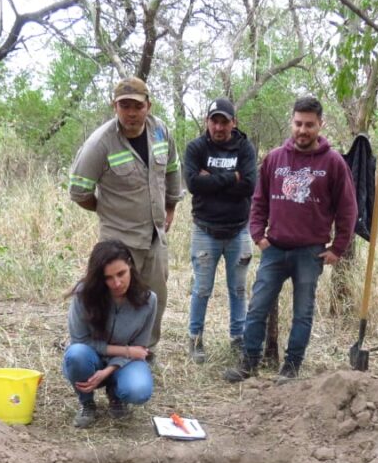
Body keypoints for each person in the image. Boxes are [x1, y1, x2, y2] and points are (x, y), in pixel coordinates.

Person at [224, 96, 358, 383]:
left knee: (303, 312)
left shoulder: (333, 162)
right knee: (258, 306)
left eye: (310, 125)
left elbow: (348, 208)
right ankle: (249, 362)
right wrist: (258, 235)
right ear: (291, 123)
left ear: (320, 125)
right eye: (298, 123)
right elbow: (258, 201)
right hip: (275, 248)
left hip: (310, 252)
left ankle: (291, 367)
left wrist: (338, 248)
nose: (303, 130)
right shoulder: (274, 158)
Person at [68, 76, 183, 349]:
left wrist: (170, 207)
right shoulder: (100, 143)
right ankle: (106, 351)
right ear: (114, 107)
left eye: (137, 106)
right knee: (113, 298)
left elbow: (172, 169)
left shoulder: (160, 132)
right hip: (118, 242)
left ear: (148, 106)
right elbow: (79, 192)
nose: (131, 113)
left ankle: (145, 351)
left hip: (155, 236)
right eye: (125, 106)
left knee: (155, 296)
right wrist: (106, 211)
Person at [182, 97, 258, 363]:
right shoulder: (195, 148)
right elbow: (193, 184)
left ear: (233, 123)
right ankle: (195, 338)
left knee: (238, 289)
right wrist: (231, 178)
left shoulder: (245, 148)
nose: (218, 127)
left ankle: (238, 338)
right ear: (207, 122)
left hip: (238, 230)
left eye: (224, 121)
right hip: (205, 230)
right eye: (214, 120)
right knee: (202, 288)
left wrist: (211, 180)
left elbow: (249, 185)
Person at [62, 240, 155, 428]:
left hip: (123, 363)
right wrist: (127, 351)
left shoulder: (149, 300)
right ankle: (87, 402)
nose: (117, 283)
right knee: (76, 355)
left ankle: (116, 394)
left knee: (139, 390)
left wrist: (108, 371)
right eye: (108, 278)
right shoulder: (84, 295)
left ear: (130, 265)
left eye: (121, 274)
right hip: (91, 356)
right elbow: (80, 341)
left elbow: (140, 347)